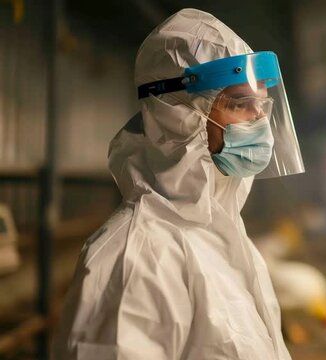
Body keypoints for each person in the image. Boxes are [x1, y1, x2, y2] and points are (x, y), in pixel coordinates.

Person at [53, 8, 304, 359]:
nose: (260, 120)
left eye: (262, 105)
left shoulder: (225, 237)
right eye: (241, 103)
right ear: (180, 116)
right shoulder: (133, 259)